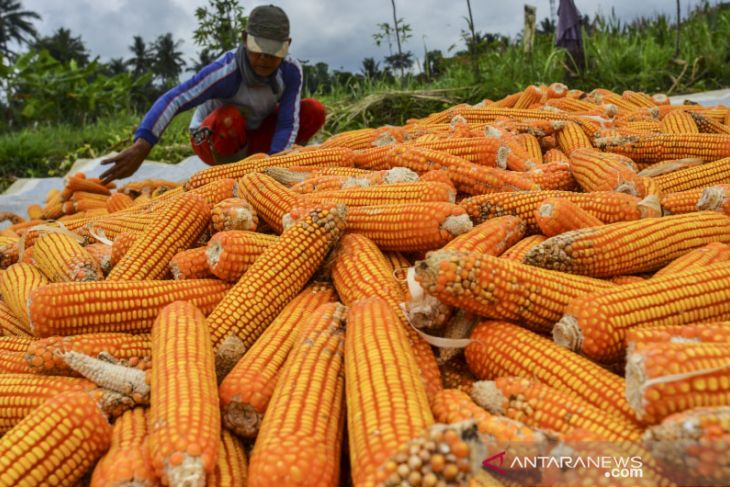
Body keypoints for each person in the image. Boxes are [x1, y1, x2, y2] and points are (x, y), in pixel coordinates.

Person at [100, 4, 325, 184]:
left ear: (287, 45)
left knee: (313, 111)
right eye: (259, 48)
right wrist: (142, 146)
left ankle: (267, 172)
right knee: (229, 117)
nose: (265, 58)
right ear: (245, 39)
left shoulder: (290, 71)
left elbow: (287, 122)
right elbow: (175, 98)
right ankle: (230, 179)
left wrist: (277, 172)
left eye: (274, 50)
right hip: (215, 137)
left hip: (255, 136)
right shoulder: (225, 71)